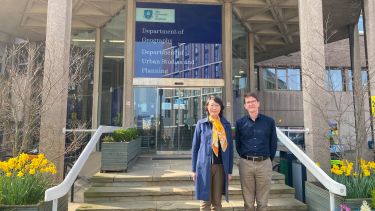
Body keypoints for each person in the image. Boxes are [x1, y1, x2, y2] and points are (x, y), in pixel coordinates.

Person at [235, 92, 277, 211]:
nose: (251, 104)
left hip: (264, 163)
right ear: (245, 106)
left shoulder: (269, 122)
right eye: (248, 102)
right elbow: (238, 144)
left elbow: (273, 143)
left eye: (253, 101)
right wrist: (244, 157)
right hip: (246, 163)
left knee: (262, 202)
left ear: (258, 103)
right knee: (248, 201)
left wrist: (268, 159)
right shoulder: (240, 123)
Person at [192, 96, 234, 211]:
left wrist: (229, 171)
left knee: (217, 202)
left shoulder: (226, 125)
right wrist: (194, 170)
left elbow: (229, 149)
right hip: (204, 166)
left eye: (216, 105)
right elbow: (195, 148)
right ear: (207, 107)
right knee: (205, 201)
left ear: (221, 108)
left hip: (220, 167)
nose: (214, 108)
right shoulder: (201, 124)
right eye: (211, 105)